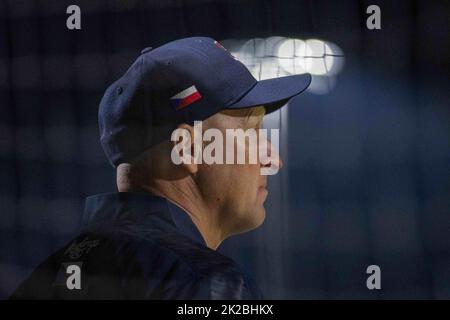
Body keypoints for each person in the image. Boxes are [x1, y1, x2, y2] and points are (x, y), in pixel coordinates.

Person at [10, 37, 311, 299]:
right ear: (188, 148)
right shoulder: (206, 281)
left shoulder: (45, 276)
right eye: (252, 132)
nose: (273, 160)